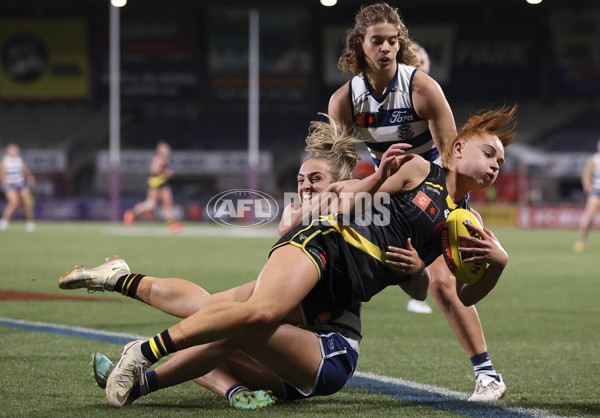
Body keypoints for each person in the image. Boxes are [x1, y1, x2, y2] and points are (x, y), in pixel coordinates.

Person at [60, 106, 515, 408]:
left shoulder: (466, 225)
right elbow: (345, 198)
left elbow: (453, 293)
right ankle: (144, 353)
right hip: (326, 248)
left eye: (501, 161)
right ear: (457, 149)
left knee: (223, 314)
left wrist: (494, 264)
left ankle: (122, 291)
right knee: (255, 314)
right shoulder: (419, 171)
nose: (496, 165)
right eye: (489, 153)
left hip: (341, 289)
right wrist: (378, 178)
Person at [327, 2, 507, 401]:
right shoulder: (344, 100)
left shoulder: (422, 88)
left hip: (429, 186)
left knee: (443, 284)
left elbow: (451, 154)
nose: (387, 48)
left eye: (394, 41)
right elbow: (339, 170)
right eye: (378, 41)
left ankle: (487, 376)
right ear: (360, 44)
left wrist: (457, 209)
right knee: (331, 258)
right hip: (385, 190)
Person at [123, 141, 182, 233]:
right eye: (165, 148)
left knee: (167, 203)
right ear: (159, 150)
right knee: (151, 204)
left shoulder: (166, 159)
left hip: (163, 183)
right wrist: (166, 172)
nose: (167, 150)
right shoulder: (158, 159)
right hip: (156, 183)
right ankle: (132, 213)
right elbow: (155, 170)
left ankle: (172, 224)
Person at [0, 143, 36, 232]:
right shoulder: (5, 162)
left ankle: (30, 222)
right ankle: (4, 221)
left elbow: (25, 171)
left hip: (21, 183)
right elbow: (1, 175)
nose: (15, 151)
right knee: (14, 203)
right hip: (9, 185)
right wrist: (8, 180)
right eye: (13, 150)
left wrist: (30, 177)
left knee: (27, 203)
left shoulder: (19, 160)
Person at [573, 137, 600, 252]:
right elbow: (586, 175)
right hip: (596, 191)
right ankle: (581, 239)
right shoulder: (594, 159)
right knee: (589, 217)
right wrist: (588, 187)